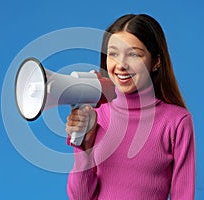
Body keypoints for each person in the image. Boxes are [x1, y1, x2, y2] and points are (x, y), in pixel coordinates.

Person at [65, 14, 195, 200]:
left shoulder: (177, 122)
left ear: (156, 62)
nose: (121, 65)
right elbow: (80, 197)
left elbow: (183, 195)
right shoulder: (96, 116)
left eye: (134, 54)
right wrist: (83, 146)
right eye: (113, 54)